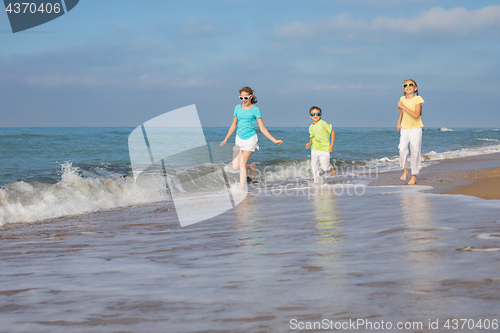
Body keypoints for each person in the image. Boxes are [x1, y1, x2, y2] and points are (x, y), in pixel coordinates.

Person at [220, 86, 283, 187]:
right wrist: (225, 139)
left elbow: (262, 128)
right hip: (239, 139)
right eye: (241, 98)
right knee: (235, 166)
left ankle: (242, 189)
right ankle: (250, 167)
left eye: (245, 98)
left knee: (242, 162)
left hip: (250, 139)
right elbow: (233, 125)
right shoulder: (237, 108)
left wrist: (274, 140)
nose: (243, 100)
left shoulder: (255, 110)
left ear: (251, 97)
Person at [397, 79, 425, 185]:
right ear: (404, 88)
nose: (408, 86)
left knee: (415, 152)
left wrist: (403, 106)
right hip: (405, 128)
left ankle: (414, 176)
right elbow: (403, 111)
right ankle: (405, 170)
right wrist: (398, 121)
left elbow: (416, 115)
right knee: (402, 149)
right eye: (405, 85)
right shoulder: (402, 99)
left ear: (415, 88)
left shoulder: (418, 98)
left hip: (416, 129)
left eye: (410, 85)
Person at [305, 106, 335, 184]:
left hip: (324, 149)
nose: (315, 116)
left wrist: (331, 145)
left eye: (317, 114)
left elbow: (333, 132)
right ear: (310, 116)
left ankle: (330, 167)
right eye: (313, 114)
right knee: (313, 165)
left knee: (324, 168)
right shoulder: (311, 127)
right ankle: (316, 181)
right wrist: (309, 143)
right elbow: (312, 137)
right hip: (314, 148)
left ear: (321, 115)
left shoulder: (323, 123)